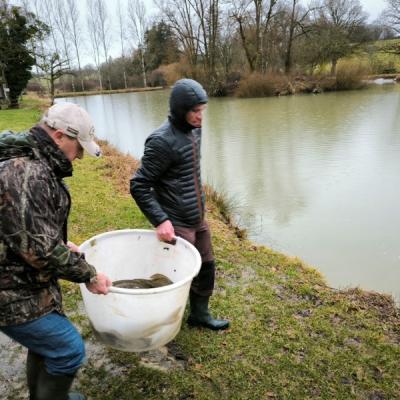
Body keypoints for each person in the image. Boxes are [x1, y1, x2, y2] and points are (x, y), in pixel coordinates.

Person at [0, 102, 112, 400]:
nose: (79, 157)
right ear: (60, 136)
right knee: (68, 349)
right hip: (10, 289)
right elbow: (42, 251)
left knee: (45, 345)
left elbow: (26, 231)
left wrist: (60, 244)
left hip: (20, 273)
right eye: (78, 148)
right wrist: (89, 274)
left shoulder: (33, 162)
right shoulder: (28, 173)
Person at [130, 78, 229, 331]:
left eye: (202, 111)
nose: (200, 117)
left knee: (207, 267)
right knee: (176, 277)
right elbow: (139, 185)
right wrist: (161, 220)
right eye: (195, 111)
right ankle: (159, 323)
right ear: (179, 109)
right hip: (176, 222)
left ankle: (199, 315)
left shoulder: (195, 130)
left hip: (198, 218)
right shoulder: (161, 142)